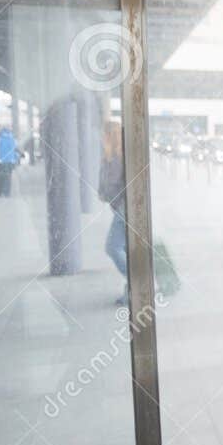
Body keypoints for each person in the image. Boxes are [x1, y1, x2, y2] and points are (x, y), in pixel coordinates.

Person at [98, 119, 129, 306]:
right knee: (123, 248)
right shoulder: (110, 157)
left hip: (124, 210)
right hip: (119, 208)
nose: (101, 138)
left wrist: (104, 192)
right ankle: (132, 286)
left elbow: (113, 184)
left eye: (104, 135)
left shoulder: (117, 158)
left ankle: (135, 281)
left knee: (112, 247)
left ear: (110, 136)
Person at [0, 126, 20, 197]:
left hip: (0, 161)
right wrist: (15, 160)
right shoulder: (13, 139)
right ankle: (7, 192)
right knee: (8, 177)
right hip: (10, 161)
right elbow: (16, 151)